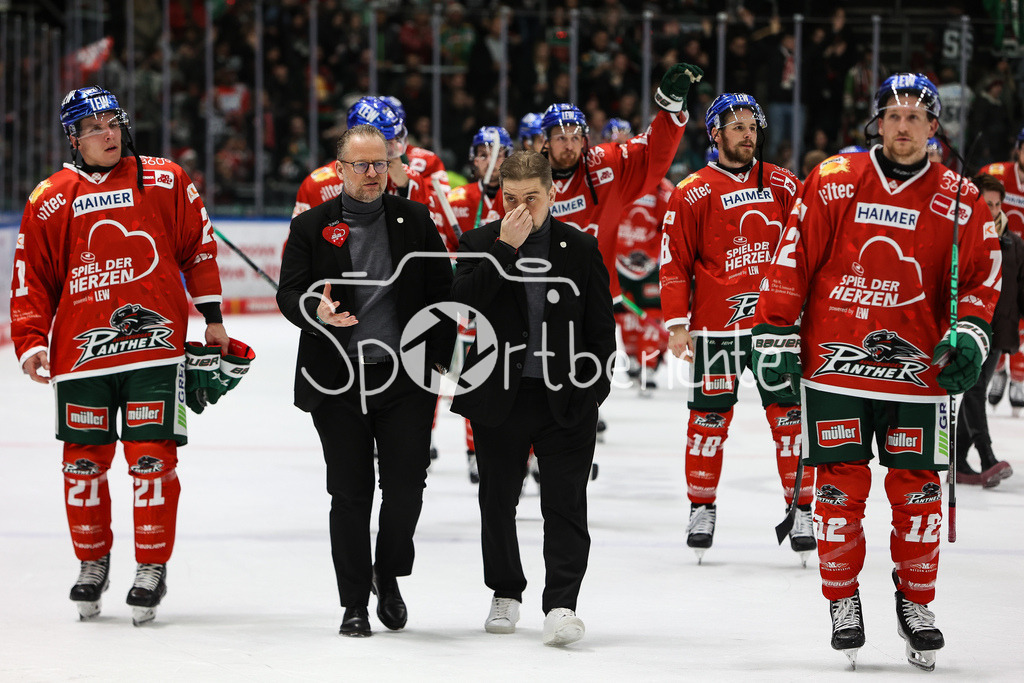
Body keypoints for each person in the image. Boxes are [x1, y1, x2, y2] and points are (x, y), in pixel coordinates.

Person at [751, 73, 1001, 671]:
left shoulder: (960, 198)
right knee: (838, 494)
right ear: (878, 123)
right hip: (835, 371)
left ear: (935, 128)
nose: (904, 125)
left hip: (919, 375)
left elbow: (979, 281)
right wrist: (777, 328)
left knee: (918, 499)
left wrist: (969, 330)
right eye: (894, 115)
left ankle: (916, 604)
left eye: (917, 117)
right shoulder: (835, 179)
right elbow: (794, 254)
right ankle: (842, 600)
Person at [9, 86, 228, 625]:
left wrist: (214, 317)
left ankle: (150, 567)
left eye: (112, 122)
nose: (107, 133)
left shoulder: (165, 177)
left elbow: (198, 245)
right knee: (82, 466)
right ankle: (92, 562)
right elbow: (31, 276)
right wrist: (31, 339)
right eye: (93, 127)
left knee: (152, 462)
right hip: (81, 358)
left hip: (156, 350)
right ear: (73, 138)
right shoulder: (50, 198)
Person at [277, 124, 456, 637]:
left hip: (404, 379)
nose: (374, 173)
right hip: (338, 381)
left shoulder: (414, 218)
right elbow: (289, 295)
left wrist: (440, 356)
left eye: (381, 163)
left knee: (406, 488)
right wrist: (318, 309)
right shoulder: (312, 226)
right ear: (341, 170)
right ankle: (354, 602)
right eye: (362, 165)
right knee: (351, 494)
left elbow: (441, 291)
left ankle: (389, 573)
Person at [450, 150, 616, 646]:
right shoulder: (481, 242)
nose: (521, 208)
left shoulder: (579, 249)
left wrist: (593, 391)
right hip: (499, 397)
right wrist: (504, 248)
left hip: (566, 399)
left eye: (532, 198)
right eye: (511, 198)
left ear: (553, 194)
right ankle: (505, 591)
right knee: (497, 501)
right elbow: (462, 303)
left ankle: (562, 603)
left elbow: (601, 329)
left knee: (565, 504)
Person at [659, 92, 813, 564]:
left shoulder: (785, 185)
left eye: (752, 126)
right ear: (716, 133)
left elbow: (810, 248)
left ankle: (802, 509)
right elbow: (674, 261)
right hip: (715, 330)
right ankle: (701, 508)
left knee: (790, 421)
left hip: (775, 329)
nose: (748, 134)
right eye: (738, 126)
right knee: (707, 424)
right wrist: (676, 323)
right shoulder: (693, 191)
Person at [541, 62, 703, 301]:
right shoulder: (527, 178)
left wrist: (670, 109)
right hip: (541, 296)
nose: (569, 145)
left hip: (594, 298)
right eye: (561, 137)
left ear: (585, 139)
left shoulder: (603, 165)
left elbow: (649, 153)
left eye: (575, 137)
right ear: (545, 141)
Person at [438, 126, 513, 482]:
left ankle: (529, 452)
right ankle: (474, 450)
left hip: (511, 304)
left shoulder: (519, 198)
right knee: (470, 380)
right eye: (484, 154)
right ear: (473, 160)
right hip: (469, 305)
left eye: (498, 154)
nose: (492, 161)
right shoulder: (457, 199)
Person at [955, 173, 1021, 487]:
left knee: (975, 390)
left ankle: (958, 462)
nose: (993, 209)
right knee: (975, 390)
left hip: (999, 330)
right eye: (987, 202)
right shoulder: (964, 236)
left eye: (997, 204)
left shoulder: (1014, 242)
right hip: (970, 326)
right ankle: (986, 455)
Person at [603, 118, 673, 395]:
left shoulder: (658, 185)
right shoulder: (603, 179)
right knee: (625, 316)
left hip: (649, 262)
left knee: (652, 314)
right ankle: (633, 358)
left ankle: (650, 364)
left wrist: (653, 254)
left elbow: (667, 224)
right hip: (616, 261)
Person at [291, 97, 433, 219]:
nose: (394, 148)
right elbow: (299, 245)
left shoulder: (409, 178)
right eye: (388, 142)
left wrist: (405, 188)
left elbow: (427, 235)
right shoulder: (317, 184)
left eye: (396, 140)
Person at [978, 128, 1024, 415]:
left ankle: (1018, 375)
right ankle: (997, 368)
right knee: (994, 314)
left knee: (1020, 318)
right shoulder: (996, 174)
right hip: (998, 254)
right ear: (1017, 149)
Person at [381, 95, 451, 196]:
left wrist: (406, 185)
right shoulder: (356, 160)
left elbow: (441, 205)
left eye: (387, 128)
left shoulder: (427, 159)